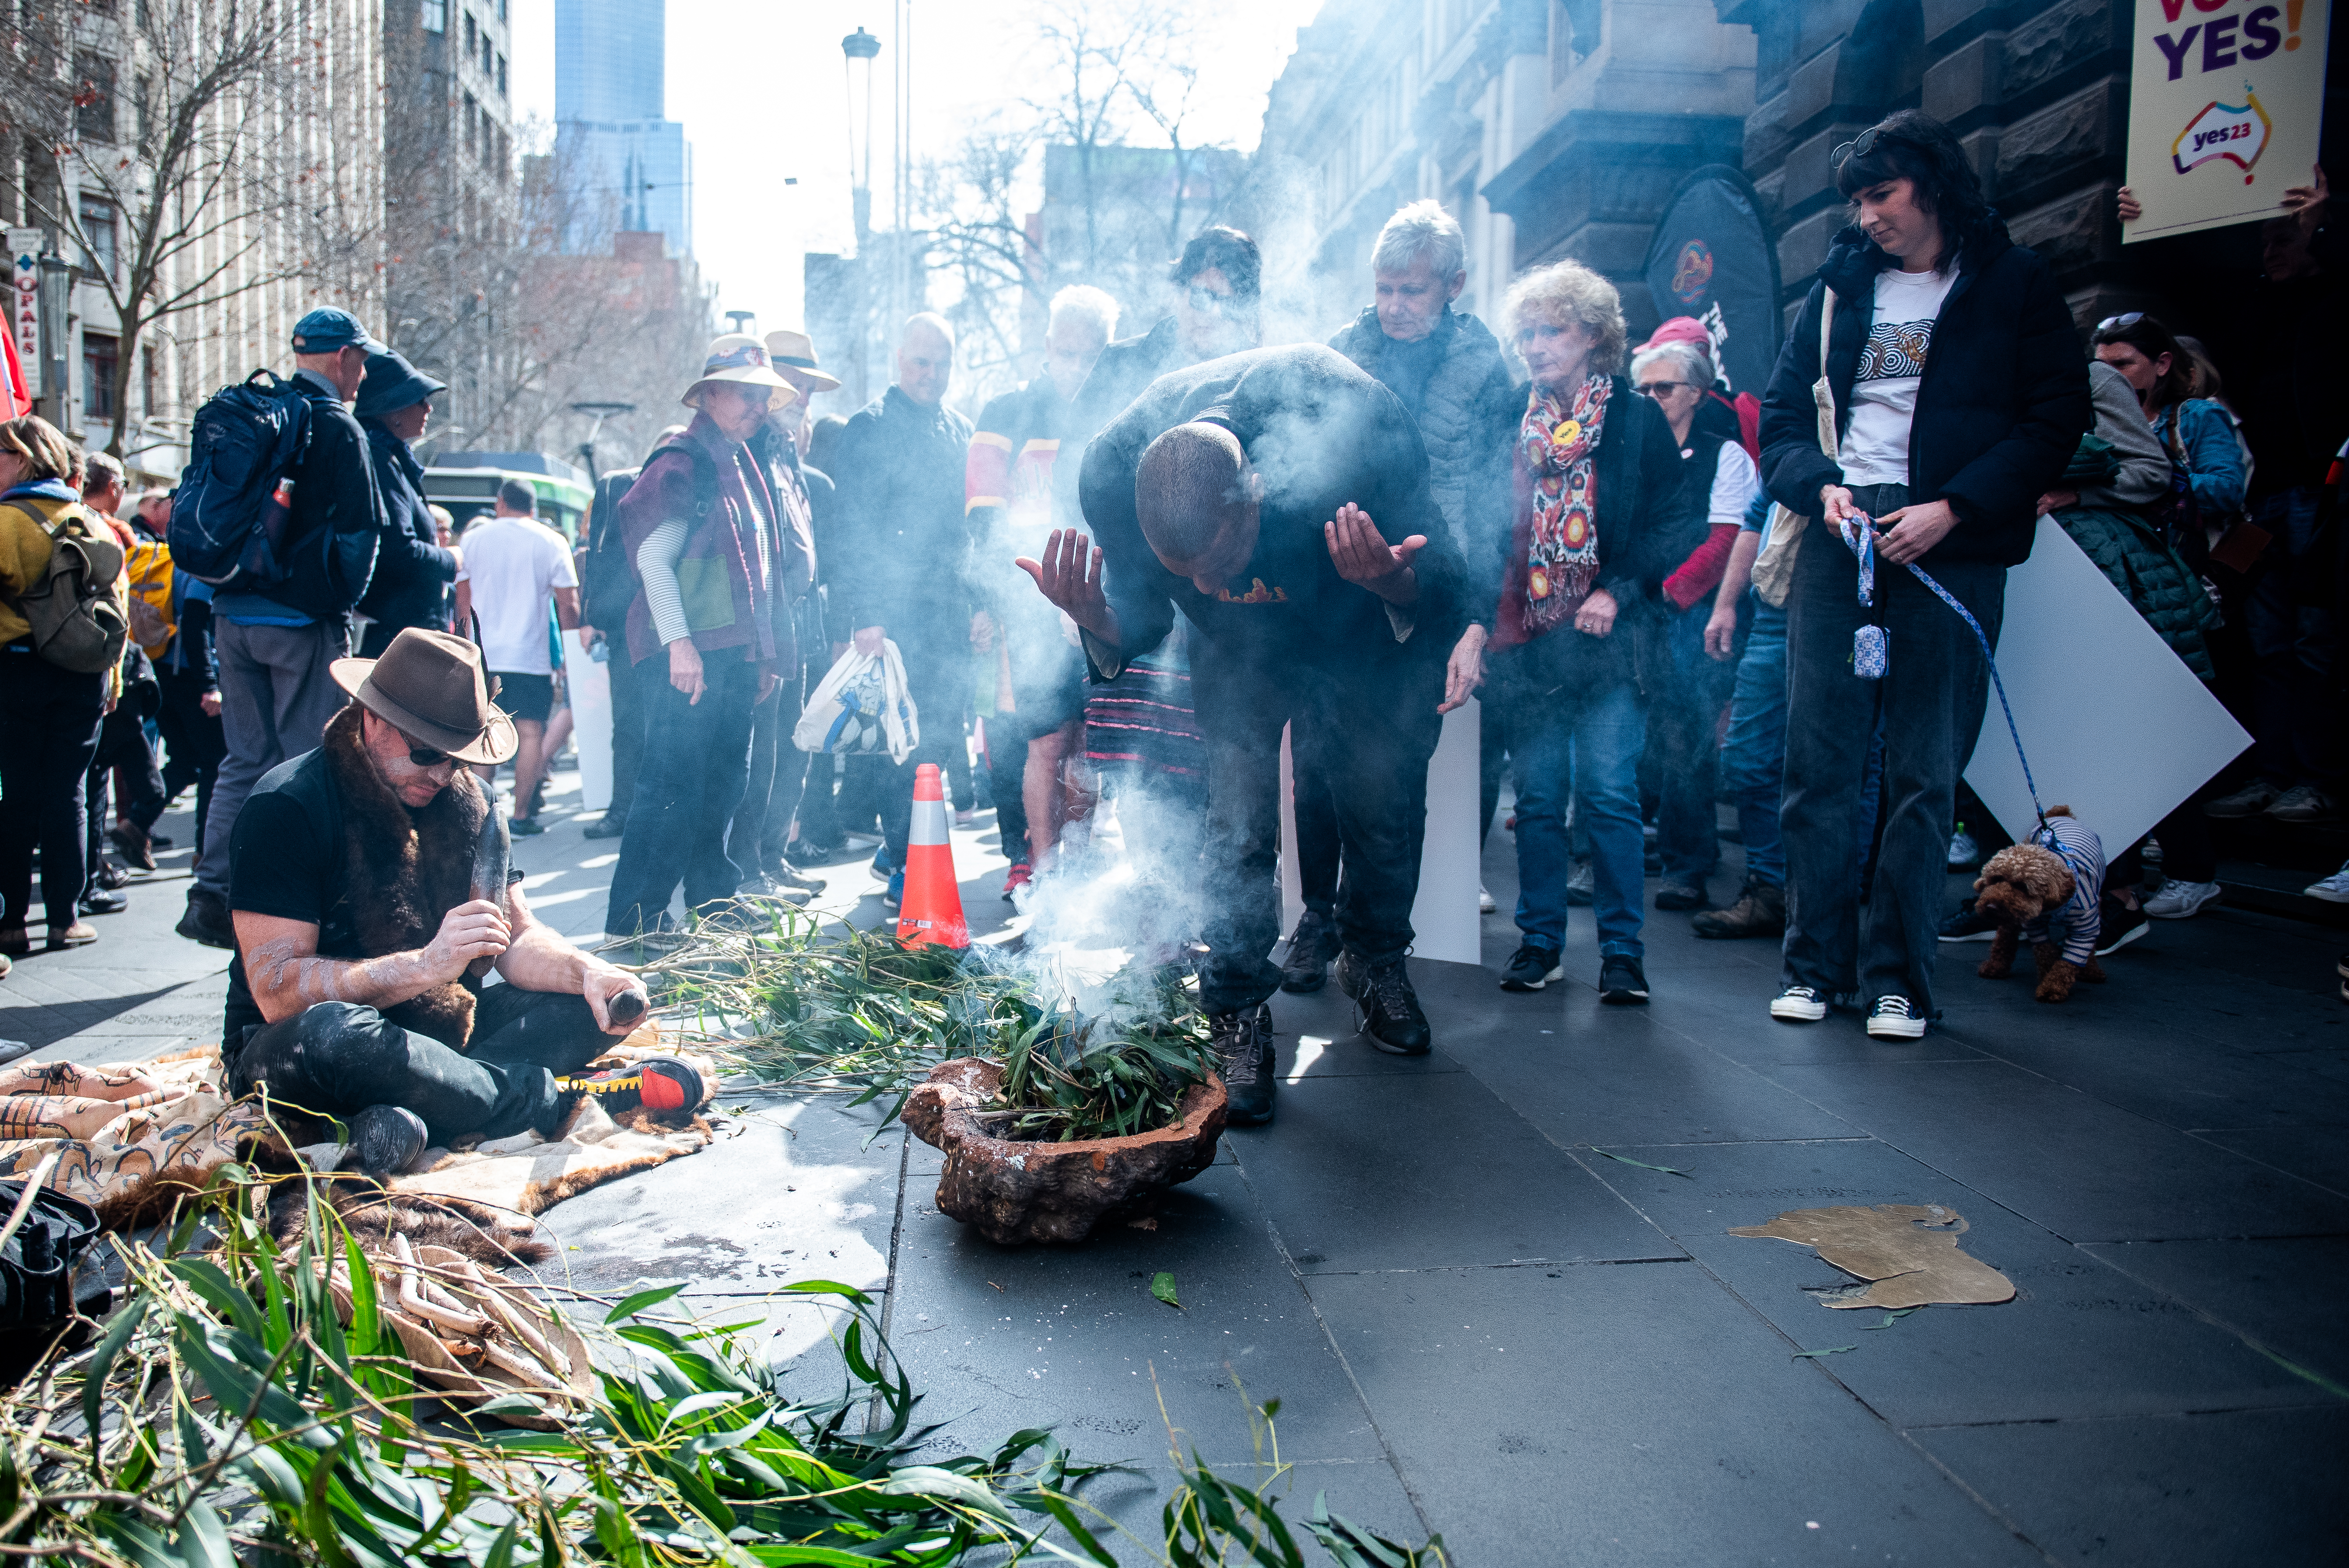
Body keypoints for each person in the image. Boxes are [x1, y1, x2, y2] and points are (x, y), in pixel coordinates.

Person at [1025, 343, 1472, 1121]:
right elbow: (1143, 613)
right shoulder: (1111, 467)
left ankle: (1373, 959)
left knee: (1380, 800)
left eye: (1220, 558)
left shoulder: (1356, 423)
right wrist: (1095, 616)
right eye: (1183, 567)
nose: (1203, 583)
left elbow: (1444, 572)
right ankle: (1233, 1007)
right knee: (1233, 822)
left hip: (1358, 629)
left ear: (1253, 492)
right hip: (1238, 653)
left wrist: (1390, 578)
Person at [1759, 110, 2090, 1038]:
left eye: (1881, 194)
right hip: (1842, 539)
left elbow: (2054, 417)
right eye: (1856, 200)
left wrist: (1956, 507)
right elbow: (1780, 422)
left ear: (1932, 186)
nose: (1866, 217)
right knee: (1814, 767)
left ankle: (1899, 979)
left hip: (1949, 542)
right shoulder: (1833, 292)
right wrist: (1820, 490)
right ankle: (1810, 968)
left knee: (1922, 773)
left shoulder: (2013, 282)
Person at [222, 628, 670, 1176]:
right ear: (373, 718)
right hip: (298, 1046)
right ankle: (553, 1101)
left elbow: (518, 936)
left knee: (592, 1009)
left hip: (442, 1029)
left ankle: (418, 1110)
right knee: (334, 1035)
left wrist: (590, 972)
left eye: (458, 758)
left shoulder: (472, 802)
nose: (441, 773)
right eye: (427, 752)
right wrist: (427, 965)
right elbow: (278, 992)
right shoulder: (287, 804)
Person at [1451, 261, 1698, 1003]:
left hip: (1604, 646)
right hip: (1525, 645)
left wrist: (1619, 591)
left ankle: (1623, 953)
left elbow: (1676, 521)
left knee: (1608, 796)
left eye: (1550, 329)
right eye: (1525, 331)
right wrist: (1472, 624)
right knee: (1534, 800)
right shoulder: (1506, 418)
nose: (1533, 344)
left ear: (1592, 335)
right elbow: (1483, 532)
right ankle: (1540, 943)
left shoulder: (1631, 418)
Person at [1298, 199, 1517, 988]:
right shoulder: (1335, 354)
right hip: (1334, 590)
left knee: (1391, 779)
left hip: (1434, 587)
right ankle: (1317, 918)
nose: (1394, 306)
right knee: (1318, 764)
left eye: (1412, 291)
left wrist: (1474, 622)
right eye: (1384, 288)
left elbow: (1498, 505)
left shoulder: (1490, 370)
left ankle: (1376, 949)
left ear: (1453, 284)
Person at [2125, 166, 2343, 824]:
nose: (2271, 251)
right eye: (2265, 241)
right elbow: (2194, 288)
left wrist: (2326, 229)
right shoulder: (2253, 311)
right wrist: (2153, 218)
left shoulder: (2332, 303)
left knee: (2315, 640)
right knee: (2267, 643)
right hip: (2264, 506)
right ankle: (2273, 772)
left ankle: (2318, 776)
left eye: (2286, 238)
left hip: (2318, 495)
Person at [180, 308, 390, 950]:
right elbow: (361, 533)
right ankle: (300, 897)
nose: (363, 373)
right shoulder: (335, 426)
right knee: (309, 759)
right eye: (360, 360)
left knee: (243, 759)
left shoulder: (249, 411)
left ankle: (213, 893)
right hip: (300, 620)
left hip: (232, 613)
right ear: (343, 358)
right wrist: (338, 602)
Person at [602, 336, 796, 937]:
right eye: (746, 392)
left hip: (731, 657)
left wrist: (760, 653)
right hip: (691, 658)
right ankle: (637, 921)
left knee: (721, 784)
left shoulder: (738, 460)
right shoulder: (685, 462)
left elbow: (759, 568)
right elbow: (654, 560)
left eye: (764, 394)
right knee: (670, 789)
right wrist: (680, 644)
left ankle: (714, 900)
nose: (758, 405)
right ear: (709, 393)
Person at [2081, 316, 2241, 922]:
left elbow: (2227, 487)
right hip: (2129, 577)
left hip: (2179, 578)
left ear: (2163, 365)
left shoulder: (2195, 417)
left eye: (2124, 364)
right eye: (2105, 362)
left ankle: (2191, 870)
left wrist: (2113, 476)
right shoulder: (2102, 413)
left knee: (2166, 730)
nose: (2112, 374)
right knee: (2134, 729)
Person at [967, 287, 1120, 898]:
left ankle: (1077, 860)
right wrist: (985, 602)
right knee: (1044, 738)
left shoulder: (1114, 413)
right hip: (1028, 602)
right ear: (1047, 347)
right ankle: (1041, 861)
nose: (1076, 366)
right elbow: (981, 522)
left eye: (1091, 354)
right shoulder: (1005, 413)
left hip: (1100, 601)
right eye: (1066, 351)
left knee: (1089, 739)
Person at [824, 314, 978, 912]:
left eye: (941, 362)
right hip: (891, 613)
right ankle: (906, 857)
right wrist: (864, 614)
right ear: (898, 360)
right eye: (921, 361)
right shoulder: (868, 428)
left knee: (939, 734)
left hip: (947, 610)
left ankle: (906, 847)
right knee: (899, 740)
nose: (931, 373)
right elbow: (852, 529)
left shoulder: (960, 428)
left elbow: (969, 529)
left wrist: (980, 605)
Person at [1631, 336, 1761, 912]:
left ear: (1698, 393)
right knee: (1652, 733)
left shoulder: (1724, 453)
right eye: (1645, 388)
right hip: (1640, 606)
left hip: (1696, 611)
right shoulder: (1632, 451)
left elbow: (1727, 539)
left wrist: (1671, 593)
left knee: (1687, 733)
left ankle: (1688, 864)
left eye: (1665, 387)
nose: (1653, 397)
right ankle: (1643, 848)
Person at [0, 416, 122, 952]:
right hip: (82, 676)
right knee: (68, 794)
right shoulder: (92, 523)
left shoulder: (5, 524)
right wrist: (112, 677)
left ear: (23, 459)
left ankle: (11, 923)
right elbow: (113, 614)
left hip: (16, 669)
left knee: (18, 795)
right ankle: (64, 918)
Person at [724, 330, 829, 898]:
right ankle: (749, 866)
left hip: (798, 613)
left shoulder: (788, 446)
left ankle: (773, 853)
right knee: (761, 750)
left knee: (793, 744)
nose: (806, 397)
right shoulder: (753, 444)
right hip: (765, 616)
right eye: (800, 386)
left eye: (811, 389)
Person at [578, 427, 687, 841]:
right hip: (630, 624)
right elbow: (597, 555)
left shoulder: (688, 487)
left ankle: (660, 812)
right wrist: (592, 617)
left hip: (678, 626)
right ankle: (623, 807)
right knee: (627, 723)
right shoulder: (622, 489)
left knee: (672, 726)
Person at [454, 479, 578, 836]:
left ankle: (478, 817)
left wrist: (465, 646)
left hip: (485, 655)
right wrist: (570, 653)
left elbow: (463, 600)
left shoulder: (473, 539)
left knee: (483, 735)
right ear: (533, 507)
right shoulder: (551, 540)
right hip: (531, 655)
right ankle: (522, 815)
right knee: (530, 733)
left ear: (500, 503)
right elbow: (567, 603)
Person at [354, 349, 460, 658]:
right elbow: (399, 551)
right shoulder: (380, 462)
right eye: (419, 399)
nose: (428, 408)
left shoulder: (391, 460)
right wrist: (451, 560)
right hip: (397, 641)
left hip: (402, 634)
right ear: (393, 409)